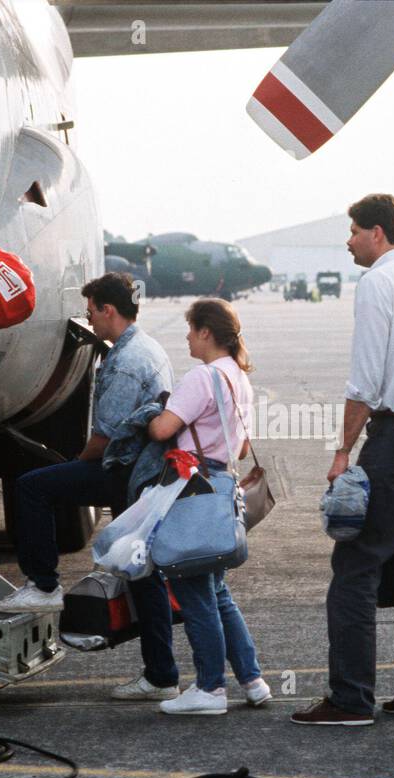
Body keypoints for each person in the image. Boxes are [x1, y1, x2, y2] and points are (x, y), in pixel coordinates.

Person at [291, 194, 394, 726]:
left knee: (355, 567)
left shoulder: (378, 284)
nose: (348, 241)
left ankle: (350, 698)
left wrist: (343, 450)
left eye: (354, 231)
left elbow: (365, 381)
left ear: (378, 234)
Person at [0, 273, 182, 703]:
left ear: (108, 310)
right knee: (143, 576)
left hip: (124, 473)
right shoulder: (146, 346)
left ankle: (43, 585)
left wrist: (75, 463)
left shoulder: (128, 360)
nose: (90, 319)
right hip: (143, 474)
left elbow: (107, 435)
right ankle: (161, 676)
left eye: (92, 311)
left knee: (32, 488)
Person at [146, 299, 272, 715]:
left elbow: (164, 428)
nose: (186, 336)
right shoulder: (238, 376)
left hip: (194, 488)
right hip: (222, 484)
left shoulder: (201, 377)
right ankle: (252, 681)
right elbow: (240, 445)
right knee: (217, 592)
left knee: (192, 589)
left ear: (205, 332)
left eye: (190, 329)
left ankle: (210, 689)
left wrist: (150, 417)